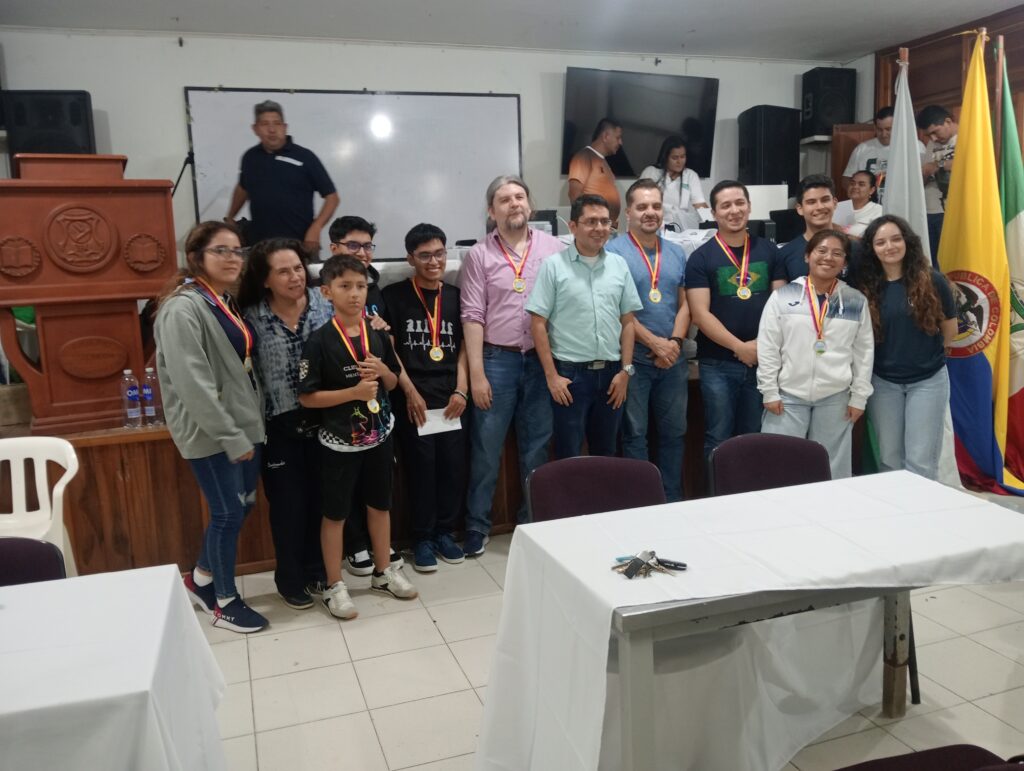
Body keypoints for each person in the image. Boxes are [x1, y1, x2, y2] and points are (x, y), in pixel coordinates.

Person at [155, 221, 268, 633]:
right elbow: (193, 382)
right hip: (211, 433)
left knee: (243, 506)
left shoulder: (223, 300)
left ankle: (200, 579)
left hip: (240, 426)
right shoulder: (181, 308)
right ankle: (223, 601)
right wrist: (230, 435)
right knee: (226, 512)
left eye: (238, 250)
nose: (232, 258)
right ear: (196, 257)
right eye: (221, 250)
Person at [297, 254, 417, 619]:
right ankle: (335, 586)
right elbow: (306, 396)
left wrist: (383, 371)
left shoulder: (378, 333)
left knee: (380, 506)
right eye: (345, 286)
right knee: (335, 514)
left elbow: (394, 382)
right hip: (339, 441)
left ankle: (383, 572)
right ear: (326, 291)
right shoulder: (318, 341)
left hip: (380, 436)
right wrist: (352, 394)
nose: (354, 294)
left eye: (361, 286)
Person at [460, 175, 564, 557]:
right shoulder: (479, 255)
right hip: (496, 360)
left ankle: (531, 525)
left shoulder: (554, 249)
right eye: (504, 199)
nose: (514, 204)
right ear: (492, 211)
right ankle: (476, 526)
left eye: (519, 196)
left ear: (530, 205)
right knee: (486, 451)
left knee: (536, 448)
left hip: (541, 363)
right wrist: (476, 374)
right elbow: (472, 316)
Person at [239, 238, 332, 610]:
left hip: (327, 418)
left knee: (324, 502)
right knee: (289, 507)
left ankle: (319, 571)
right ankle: (290, 579)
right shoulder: (250, 318)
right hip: (278, 425)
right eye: (283, 271)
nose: (295, 277)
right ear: (264, 279)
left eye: (298, 268)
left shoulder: (325, 303)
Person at [527, 194, 643, 459]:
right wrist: (551, 377)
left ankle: (604, 502)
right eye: (591, 221)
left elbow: (628, 322)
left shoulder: (618, 265)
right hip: (570, 377)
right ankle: (572, 502)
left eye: (605, 222)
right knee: (569, 454)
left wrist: (626, 371)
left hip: (613, 376)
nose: (600, 228)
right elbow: (537, 324)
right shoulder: (554, 267)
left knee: (607, 452)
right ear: (573, 226)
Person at [382, 224, 468, 573]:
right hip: (415, 399)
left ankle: (446, 533)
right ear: (410, 258)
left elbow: (465, 347)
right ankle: (422, 539)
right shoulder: (394, 296)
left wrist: (462, 389)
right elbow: (390, 349)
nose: (434, 261)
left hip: (452, 400)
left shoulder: (456, 296)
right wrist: (410, 391)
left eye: (439, 253)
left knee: (451, 471)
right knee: (421, 472)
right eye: (425, 255)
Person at [757, 230, 874, 478]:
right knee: (781, 466)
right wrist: (769, 390)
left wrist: (859, 397)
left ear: (844, 263)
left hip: (836, 398)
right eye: (821, 251)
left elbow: (864, 352)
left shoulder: (855, 300)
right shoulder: (783, 297)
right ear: (807, 256)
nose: (828, 257)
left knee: (833, 469)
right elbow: (768, 347)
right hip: (787, 397)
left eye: (837, 253)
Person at [685, 180, 786, 460]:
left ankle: (752, 500)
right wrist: (740, 347)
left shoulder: (769, 251)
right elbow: (700, 314)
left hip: (763, 362)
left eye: (739, 203)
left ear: (749, 207)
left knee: (755, 437)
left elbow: (780, 308)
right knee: (718, 437)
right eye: (725, 205)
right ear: (714, 213)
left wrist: (759, 345)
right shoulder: (700, 258)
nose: (734, 210)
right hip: (717, 364)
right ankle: (718, 500)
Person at [606, 179, 690, 501]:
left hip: (673, 359)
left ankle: (671, 502)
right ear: (628, 212)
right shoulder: (614, 251)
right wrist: (655, 344)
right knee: (635, 436)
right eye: (642, 207)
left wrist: (674, 344)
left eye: (655, 205)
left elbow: (685, 304)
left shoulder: (677, 253)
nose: (650, 212)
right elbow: (615, 308)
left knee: (674, 435)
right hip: (634, 359)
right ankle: (640, 504)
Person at [326, 215, 400, 576]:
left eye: (368, 245)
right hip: (337, 406)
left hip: (375, 405)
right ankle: (355, 546)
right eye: (354, 245)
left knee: (376, 483)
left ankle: (378, 549)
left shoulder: (376, 291)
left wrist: (384, 335)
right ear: (334, 248)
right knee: (344, 486)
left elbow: (388, 352)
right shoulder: (321, 295)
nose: (363, 252)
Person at [859, 215, 957, 481]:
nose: (889, 246)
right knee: (889, 459)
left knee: (921, 462)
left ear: (907, 242)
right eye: (880, 242)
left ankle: (922, 519)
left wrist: (925, 356)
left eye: (895, 239)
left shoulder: (933, 281)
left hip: (928, 381)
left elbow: (950, 331)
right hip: (883, 382)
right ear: (872, 249)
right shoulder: (866, 288)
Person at [226, 100, 339, 254]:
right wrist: (231, 216)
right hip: (260, 245)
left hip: (300, 244)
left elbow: (332, 197)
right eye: (265, 124)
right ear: (255, 129)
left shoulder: (305, 157)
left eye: (277, 123)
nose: (271, 129)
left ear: (285, 127)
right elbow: (243, 187)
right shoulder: (250, 157)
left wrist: (316, 227)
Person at [842, 106, 925, 207]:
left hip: (903, 206)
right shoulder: (862, 149)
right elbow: (847, 178)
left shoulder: (915, 146)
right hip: (869, 206)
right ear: (874, 128)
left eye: (888, 129)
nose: (884, 134)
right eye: (879, 129)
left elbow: (922, 178)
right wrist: (859, 196)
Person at [777, 175, 841, 282]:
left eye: (825, 200)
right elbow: (781, 297)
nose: (820, 207)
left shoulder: (854, 249)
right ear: (800, 209)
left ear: (834, 203)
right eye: (811, 202)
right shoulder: (785, 254)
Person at [638, 135, 708, 231]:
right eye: (675, 158)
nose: (679, 161)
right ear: (665, 157)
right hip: (655, 224)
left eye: (683, 157)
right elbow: (639, 201)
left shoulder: (691, 175)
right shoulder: (651, 172)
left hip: (682, 227)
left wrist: (711, 222)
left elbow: (700, 204)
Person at [917, 105, 959, 260]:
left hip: (952, 210)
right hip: (929, 208)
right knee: (931, 260)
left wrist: (938, 165)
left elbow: (966, 164)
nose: (933, 139)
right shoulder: (932, 144)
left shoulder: (968, 136)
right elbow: (927, 170)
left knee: (949, 259)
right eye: (929, 135)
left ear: (948, 121)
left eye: (935, 132)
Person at [568, 118, 623, 224]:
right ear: (606, 136)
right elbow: (574, 193)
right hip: (593, 229)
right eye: (618, 138)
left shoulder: (604, 161)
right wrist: (586, 223)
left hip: (606, 228)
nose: (621, 142)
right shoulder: (584, 156)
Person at [833, 170, 884, 239]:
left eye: (861, 184)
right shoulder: (836, 206)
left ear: (871, 190)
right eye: (852, 183)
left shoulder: (878, 211)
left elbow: (874, 243)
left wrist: (841, 232)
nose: (855, 187)